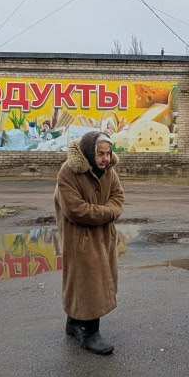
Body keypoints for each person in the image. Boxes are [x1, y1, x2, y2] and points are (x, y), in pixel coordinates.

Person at [55, 130, 125, 355]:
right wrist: (108, 212)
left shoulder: (109, 171)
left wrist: (108, 211)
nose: (105, 158)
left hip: (104, 236)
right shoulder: (69, 171)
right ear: (88, 153)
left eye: (108, 153)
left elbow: (118, 198)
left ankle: (74, 323)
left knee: (88, 280)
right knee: (88, 282)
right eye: (100, 153)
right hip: (79, 237)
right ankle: (89, 332)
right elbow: (76, 210)